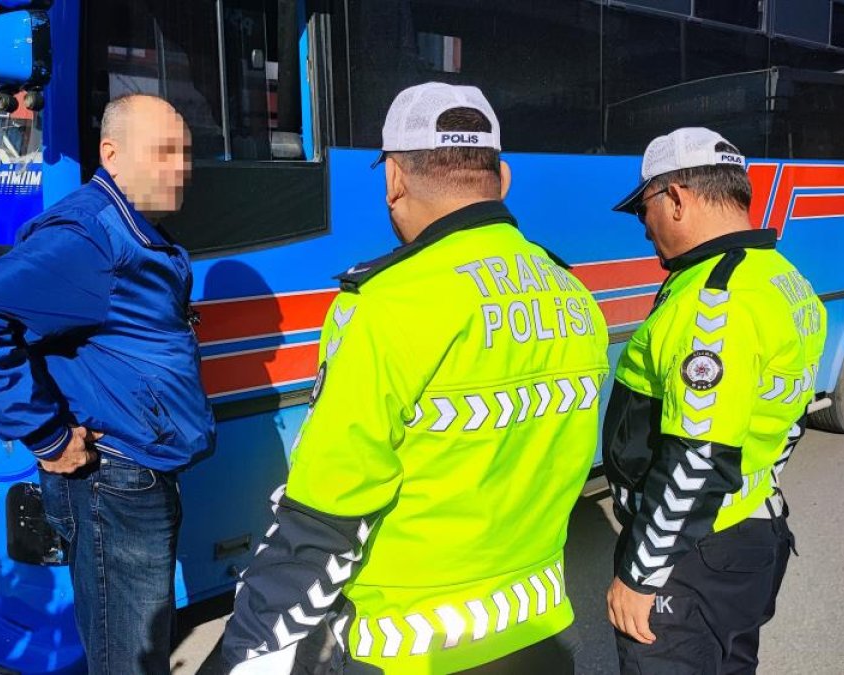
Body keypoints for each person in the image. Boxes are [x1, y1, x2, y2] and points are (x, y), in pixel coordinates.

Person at [218, 82, 609, 674]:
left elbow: (324, 514)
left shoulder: (386, 304)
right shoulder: (572, 294)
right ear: (500, 178)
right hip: (540, 635)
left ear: (394, 179)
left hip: (411, 651)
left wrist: (244, 650)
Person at [0, 94, 214, 675]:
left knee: (134, 646)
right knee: (126, 657)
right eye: (162, 153)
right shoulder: (93, 238)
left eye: (184, 153)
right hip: (116, 484)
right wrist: (47, 434)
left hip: (135, 475)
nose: (180, 169)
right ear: (111, 153)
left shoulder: (133, 231)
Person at [602, 127, 826, 673]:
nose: (645, 228)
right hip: (752, 534)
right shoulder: (783, 279)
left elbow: (698, 458)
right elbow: (790, 414)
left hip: (693, 555)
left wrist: (640, 576)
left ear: (675, 197)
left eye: (643, 211)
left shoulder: (712, 303)